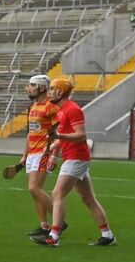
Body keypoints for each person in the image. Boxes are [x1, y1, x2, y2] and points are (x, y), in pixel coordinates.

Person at [33, 78, 115, 247]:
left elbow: (81, 135)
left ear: (61, 92)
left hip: (76, 157)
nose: (49, 92)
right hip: (74, 157)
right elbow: (65, 136)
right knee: (88, 199)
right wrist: (54, 147)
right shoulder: (61, 110)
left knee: (57, 194)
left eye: (53, 89)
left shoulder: (73, 110)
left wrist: (58, 137)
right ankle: (107, 235)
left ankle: (54, 236)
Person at [20, 75, 60, 237]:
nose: (28, 88)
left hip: (44, 152)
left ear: (42, 88)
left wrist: (54, 155)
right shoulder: (34, 105)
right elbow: (30, 132)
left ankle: (59, 222)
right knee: (35, 192)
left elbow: (58, 133)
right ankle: (44, 226)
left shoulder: (51, 107)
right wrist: (25, 155)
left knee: (34, 188)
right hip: (32, 153)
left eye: (32, 85)